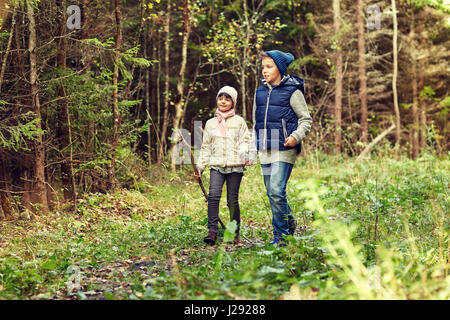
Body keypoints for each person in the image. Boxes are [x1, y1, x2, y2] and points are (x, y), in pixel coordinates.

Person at [253, 50, 312, 245]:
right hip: (265, 149)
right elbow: (256, 120)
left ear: (279, 68)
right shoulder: (260, 92)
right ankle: (289, 221)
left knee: (277, 190)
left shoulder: (292, 91)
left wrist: (296, 137)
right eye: (263, 67)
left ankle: (282, 236)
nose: (265, 71)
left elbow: (305, 119)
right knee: (271, 192)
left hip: (285, 148)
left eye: (269, 66)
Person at [195, 86, 253, 246]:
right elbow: (206, 146)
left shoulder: (239, 121)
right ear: (217, 100)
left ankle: (234, 233)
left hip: (235, 166)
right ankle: (212, 232)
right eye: (221, 98)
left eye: (227, 99)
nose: (223, 101)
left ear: (233, 102)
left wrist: (244, 155)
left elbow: (245, 141)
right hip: (217, 165)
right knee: (213, 197)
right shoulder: (210, 123)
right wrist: (200, 167)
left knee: (232, 200)